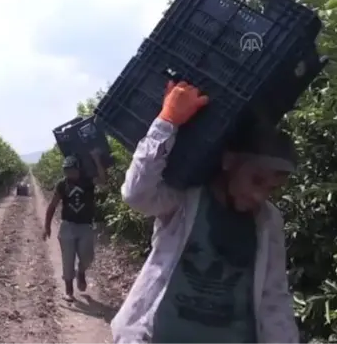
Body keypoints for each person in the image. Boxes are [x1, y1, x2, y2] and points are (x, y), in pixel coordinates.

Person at [109, 80, 300, 344]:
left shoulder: (268, 221)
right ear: (229, 162)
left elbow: (273, 296)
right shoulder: (187, 200)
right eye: (256, 180)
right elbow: (136, 194)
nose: (260, 195)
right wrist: (167, 121)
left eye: (272, 188)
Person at [43, 149, 107, 302]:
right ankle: (69, 290)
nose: (68, 174)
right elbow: (52, 206)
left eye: (71, 170)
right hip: (68, 226)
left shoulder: (88, 181)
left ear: (78, 168)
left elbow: (104, 181)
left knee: (88, 257)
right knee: (68, 258)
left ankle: (81, 272)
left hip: (85, 226)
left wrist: (96, 159)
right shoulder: (62, 185)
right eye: (66, 171)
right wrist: (47, 226)